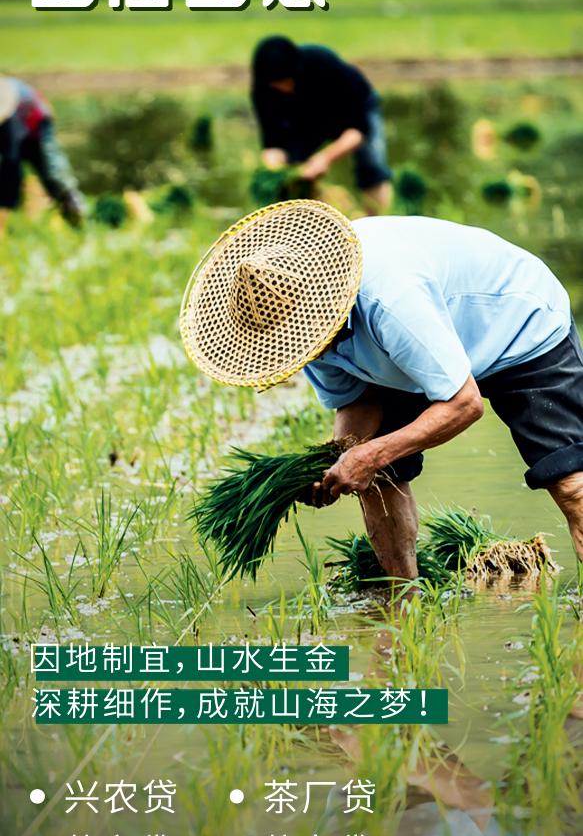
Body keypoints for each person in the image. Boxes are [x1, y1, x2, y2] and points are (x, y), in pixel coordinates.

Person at [180, 200, 583, 582]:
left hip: (518, 324)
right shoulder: (299, 333)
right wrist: (338, 462)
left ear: (325, 305)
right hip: (416, 354)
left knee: (570, 484)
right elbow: (359, 402)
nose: (304, 348)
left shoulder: (390, 298)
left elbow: (463, 404)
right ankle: (402, 604)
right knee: (374, 480)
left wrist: (370, 454)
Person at [251, 36, 392, 215]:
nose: (283, 89)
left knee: (372, 167)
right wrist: (277, 173)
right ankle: (319, 227)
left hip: (354, 109)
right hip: (306, 116)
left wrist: (324, 158)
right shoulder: (263, 86)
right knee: (298, 175)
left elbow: (357, 131)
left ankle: (376, 223)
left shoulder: (323, 64)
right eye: (276, 86)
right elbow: (273, 141)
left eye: (286, 83)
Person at [0, 76, 86, 231]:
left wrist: (4, 206)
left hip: (38, 127)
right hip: (15, 126)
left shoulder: (8, 110)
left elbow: (11, 162)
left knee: (52, 174)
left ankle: (76, 216)